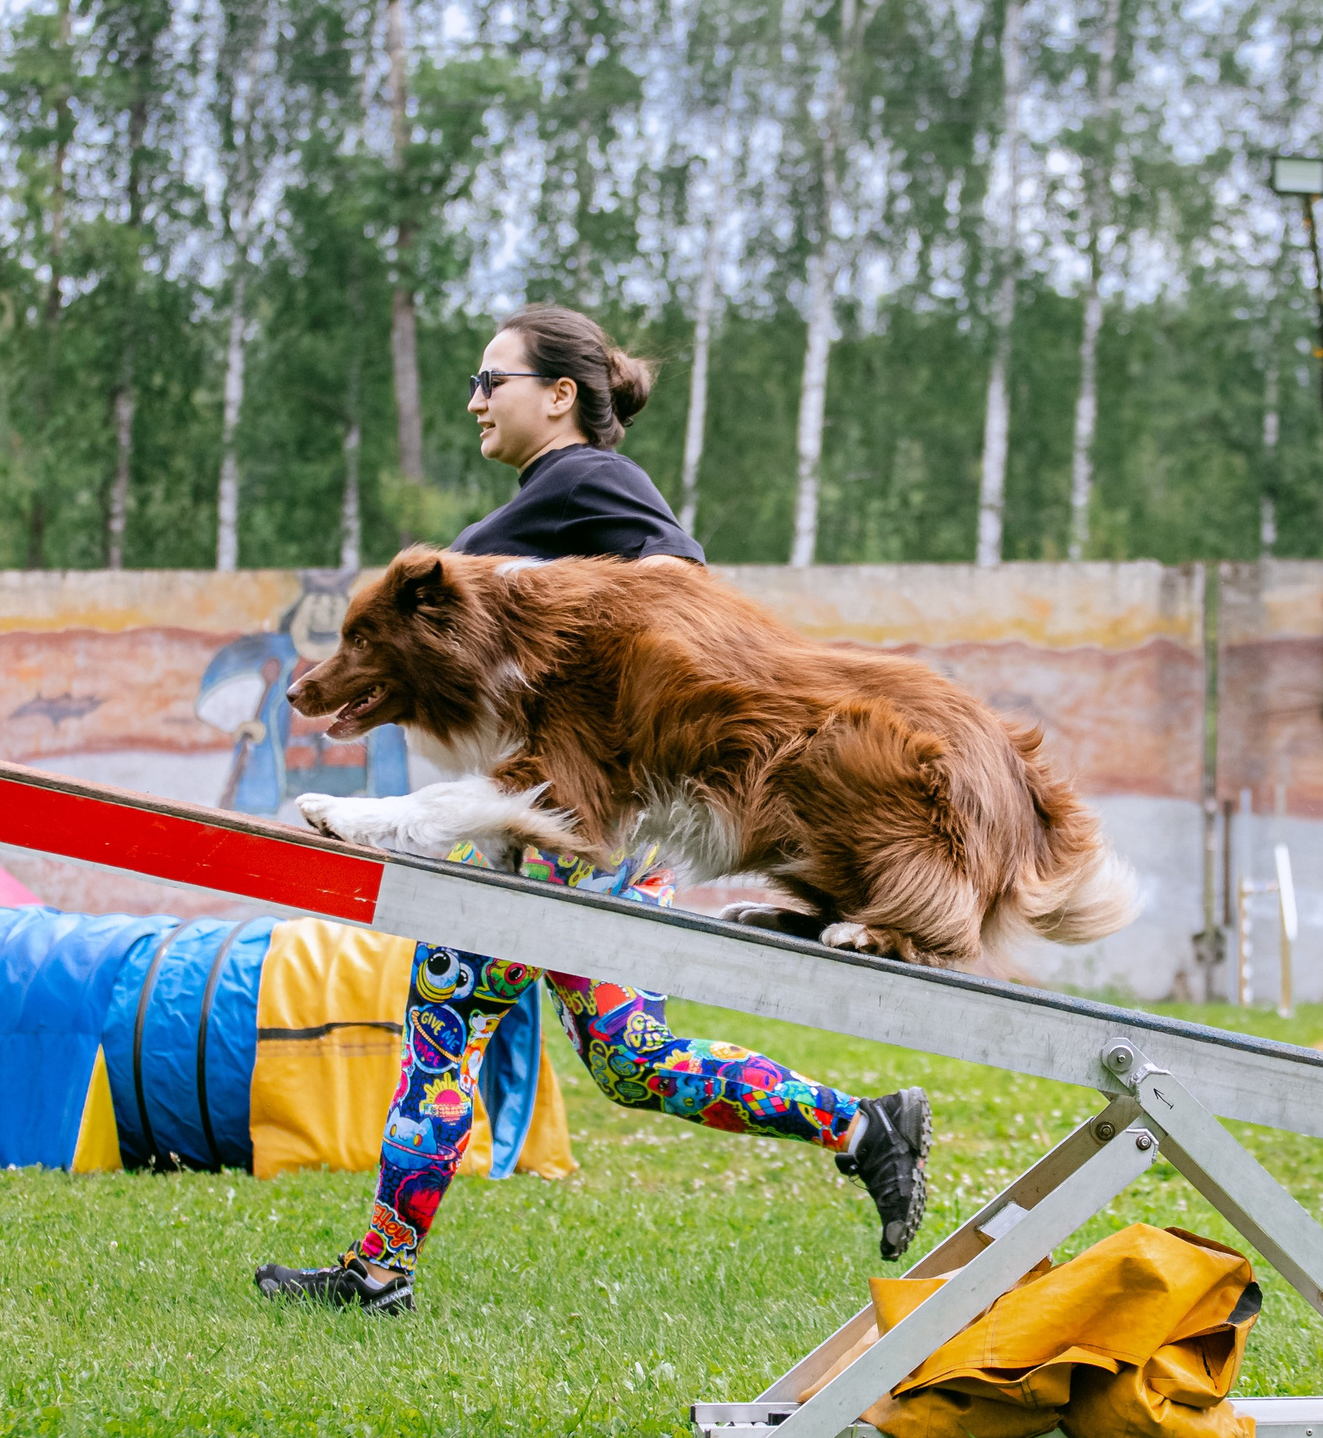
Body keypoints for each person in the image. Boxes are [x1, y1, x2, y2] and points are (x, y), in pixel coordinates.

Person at [256, 304, 931, 1315]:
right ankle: (865, 1128)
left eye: (493, 381)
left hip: (583, 827)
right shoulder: (549, 498)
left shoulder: (589, 480)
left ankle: (381, 1273)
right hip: (553, 821)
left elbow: (679, 585)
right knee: (587, 1053)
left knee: (496, 1030)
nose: (475, 401)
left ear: (560, 394)